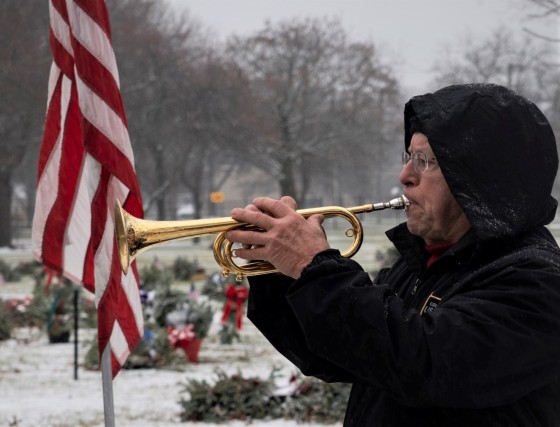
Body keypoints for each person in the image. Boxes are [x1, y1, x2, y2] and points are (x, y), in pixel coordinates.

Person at [225, 83, 560, 426]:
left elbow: (424, 365)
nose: (404, 177)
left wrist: (313, 266)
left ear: (478, 178)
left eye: (424, 162)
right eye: (407, 157)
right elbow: (343, 354)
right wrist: (279, 273)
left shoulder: (537, 280)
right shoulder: (425, 261)